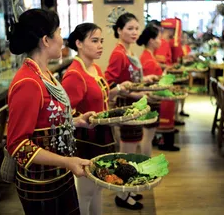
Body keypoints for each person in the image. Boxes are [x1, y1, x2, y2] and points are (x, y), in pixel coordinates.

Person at [7, 9, 93, 215]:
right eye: (59, 33)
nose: (62, 40)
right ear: (46, 40)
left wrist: (78, 121)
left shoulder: (44, 73)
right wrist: (67, 161)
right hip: (41, 183)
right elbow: (17, 145)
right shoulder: (28, 82)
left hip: (58, 175)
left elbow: (50, 119)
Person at [62, 23, 131, 215]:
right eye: (94, 41)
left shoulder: (95, 68)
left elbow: (102, 97)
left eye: (101, 41)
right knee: (85, 192)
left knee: (98, 188)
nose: (100, 45)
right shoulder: (75, 75)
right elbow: (64, 115)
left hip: (102, 136)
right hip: (86, 139)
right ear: (79, 43)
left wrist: (118, 88)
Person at [105, 12, 156, 210]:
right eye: (130, 28)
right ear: (119, 31)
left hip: (135, 107)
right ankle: (121, 194)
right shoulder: (118, 53)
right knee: (125, 152)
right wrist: (136, 94)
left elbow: (131, 81)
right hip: (126, 108)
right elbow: (110, 84)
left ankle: (128, 189)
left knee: (131, 149)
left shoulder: (130, 51)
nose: (135, 32)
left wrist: (145, 83)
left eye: (136, 28)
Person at [137, 25, 163, 156]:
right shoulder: (148, 59)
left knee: (147, 136)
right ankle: (146, 165)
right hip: (150, 100)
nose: (161, 41)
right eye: (159, 38)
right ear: (151, 40)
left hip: (150, 100)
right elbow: (147, 85)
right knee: (147, 137)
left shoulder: (147, 56)